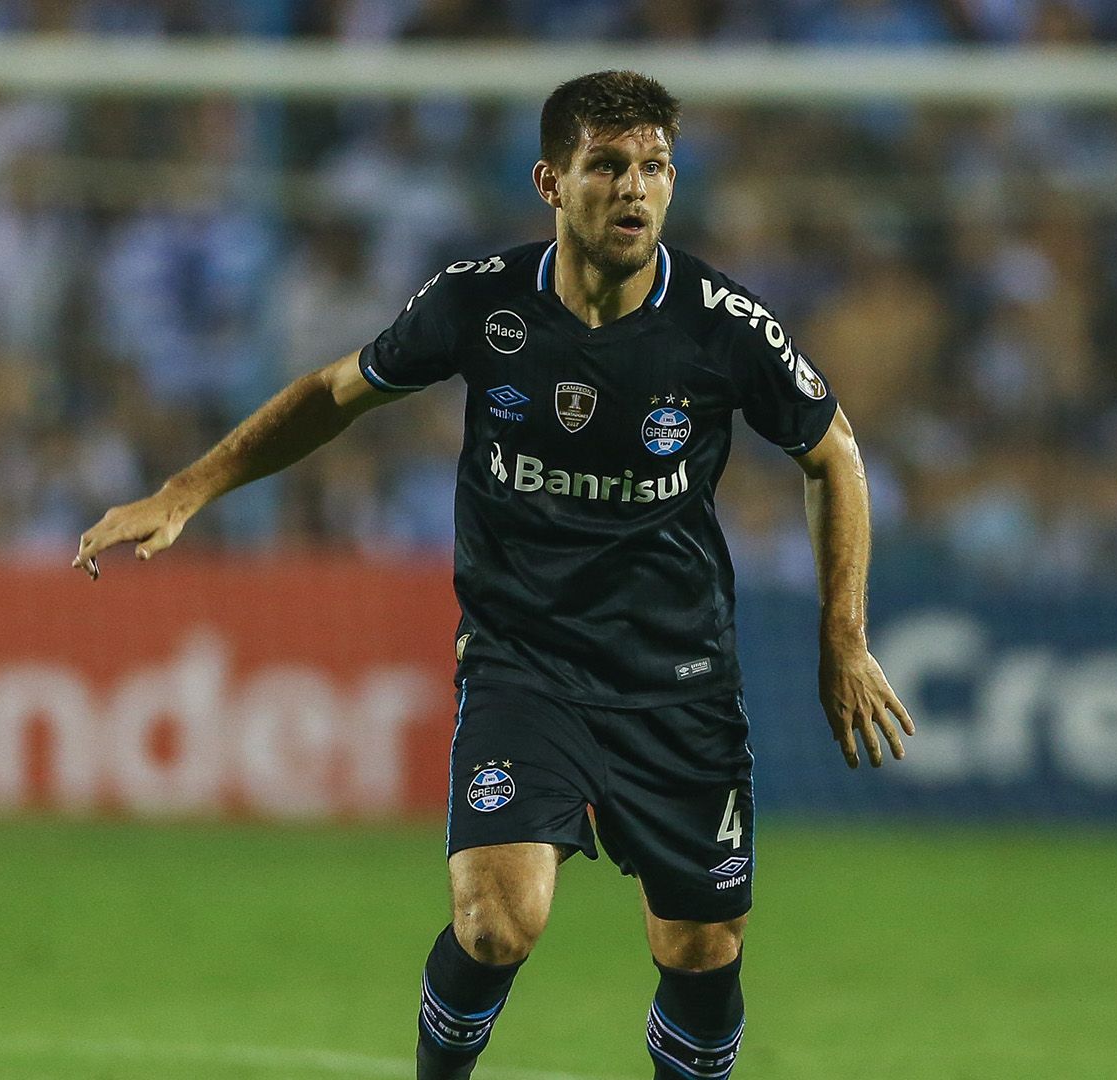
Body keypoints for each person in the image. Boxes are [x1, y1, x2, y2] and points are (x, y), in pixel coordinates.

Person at [73, 70, 915, 1080]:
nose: (635, 188)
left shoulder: (723, 325)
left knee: (700, 950)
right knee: (493, 923)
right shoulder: (481, 303)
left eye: (654, 167)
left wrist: (843, 640)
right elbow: (333, 393)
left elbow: (835, 454)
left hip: (677, 678)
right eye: (608, 166)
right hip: (525, 666)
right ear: (551, 181)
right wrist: (185, 492)